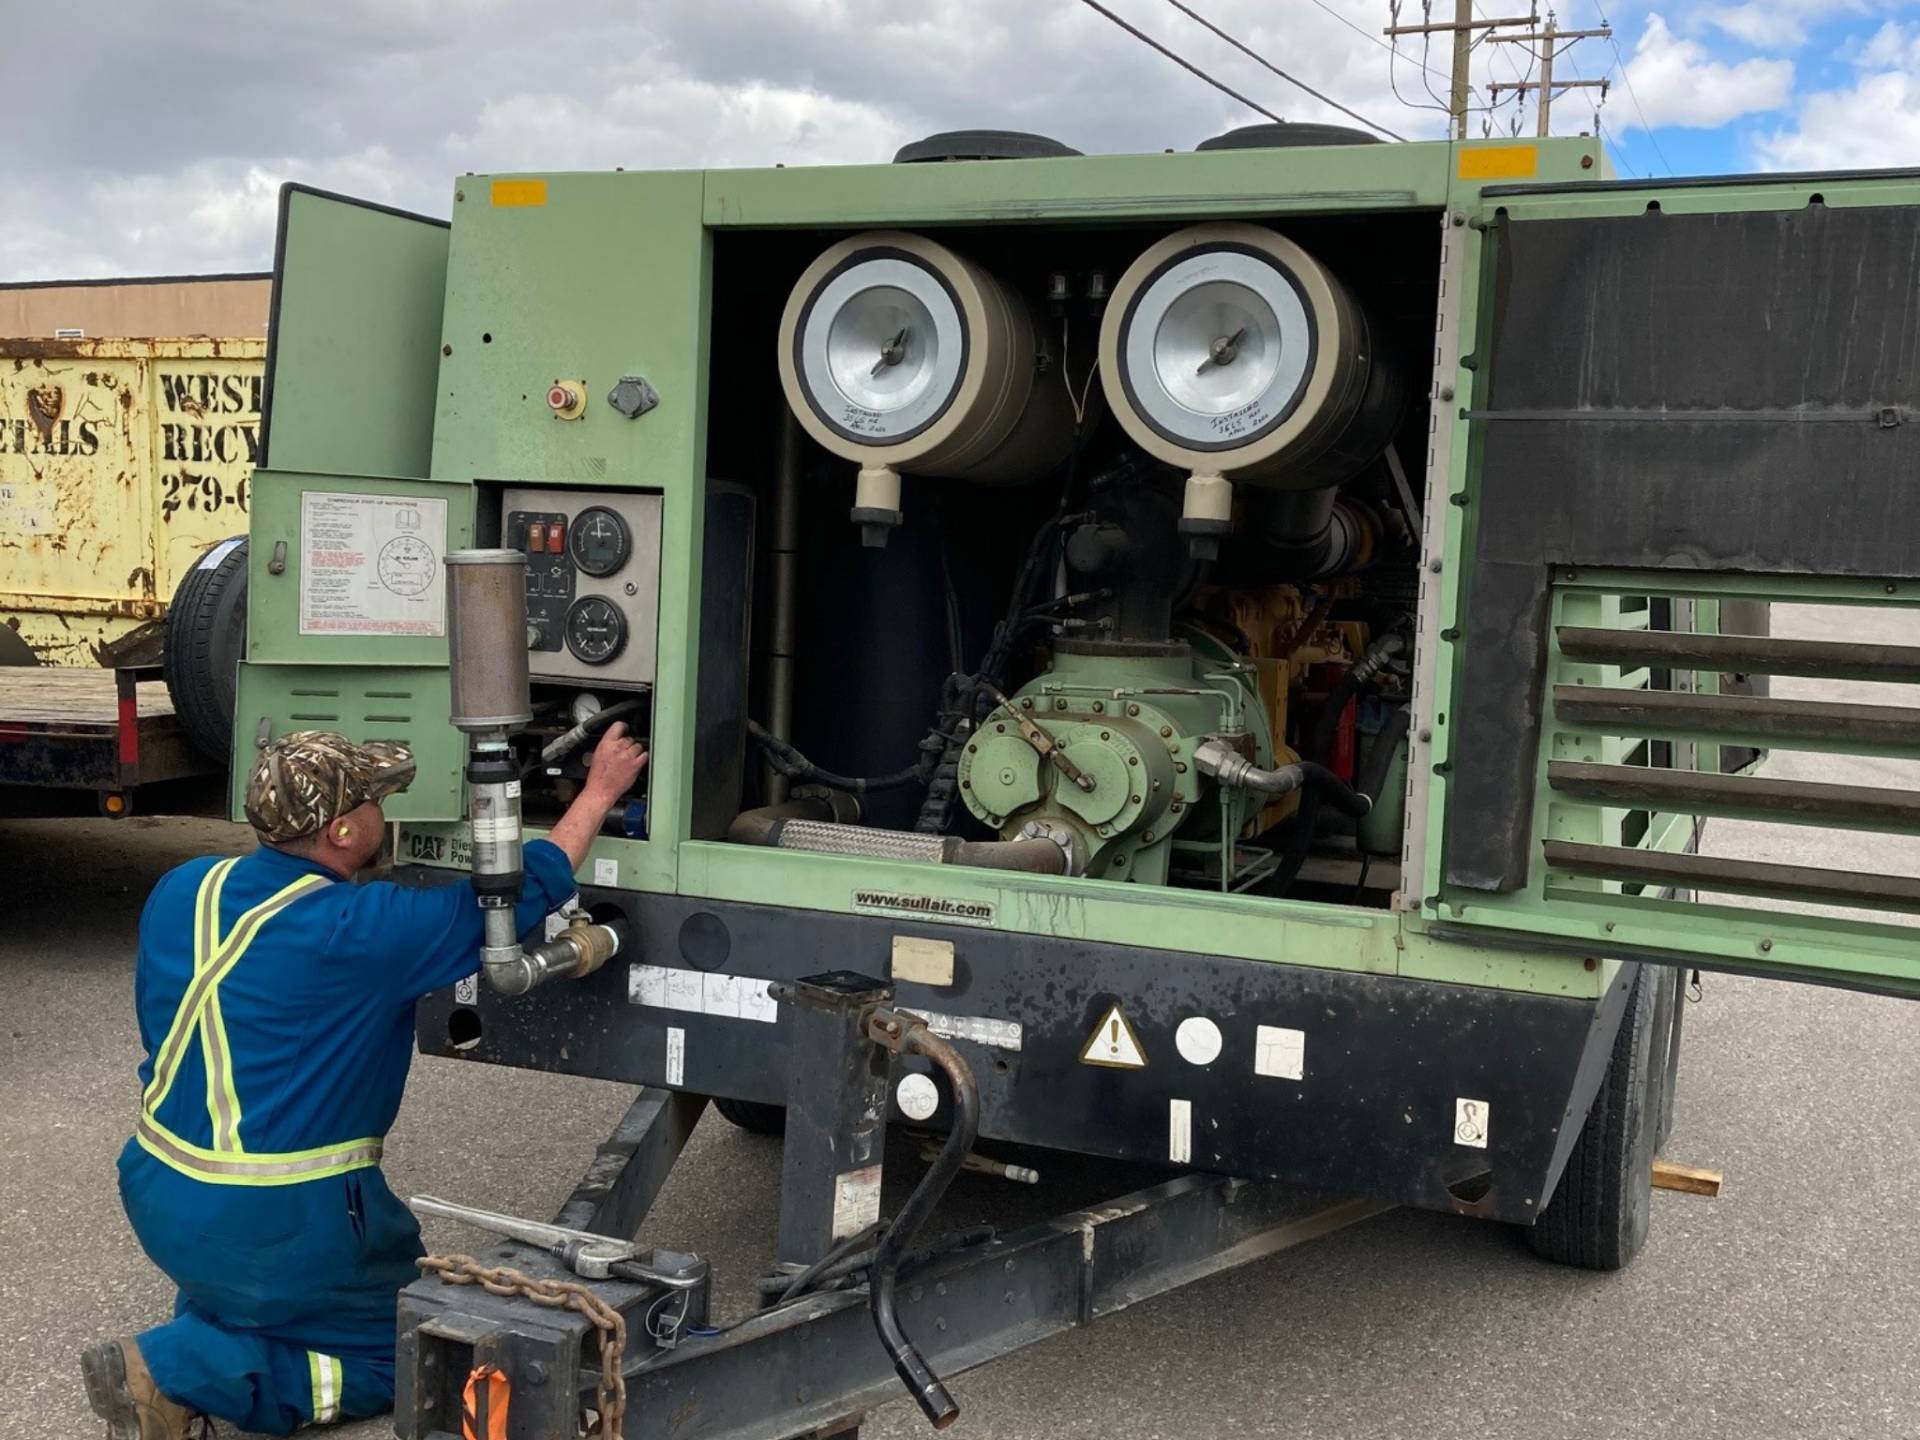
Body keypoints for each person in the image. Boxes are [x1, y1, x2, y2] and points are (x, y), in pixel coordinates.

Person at [82, 723, 648, 1439]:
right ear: (345, 830)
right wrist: (598, 792)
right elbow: (524, 888)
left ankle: (221, 1328)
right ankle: (178, 1370)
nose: (390, 809)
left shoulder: (185, 887)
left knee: (257, 1293)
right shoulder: (359, 931)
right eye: (378, 800)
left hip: (158, 1193)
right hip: (280, 1224)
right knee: (407, 1357)